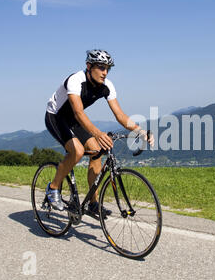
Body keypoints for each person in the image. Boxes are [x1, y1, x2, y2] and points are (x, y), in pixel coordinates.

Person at [44, 49, 154, 218]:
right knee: (78, 151)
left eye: (108, 69)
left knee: (96, 151)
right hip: (56, 116)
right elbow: (79, 113)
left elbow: (120, 115)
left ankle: (93, 203)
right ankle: (53, 189)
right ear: (89, 66)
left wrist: (139, 131)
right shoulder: (76, 81)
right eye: (101, 67)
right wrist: (97, 133)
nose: (105, 72)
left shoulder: (107, 86)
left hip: (74, 119)